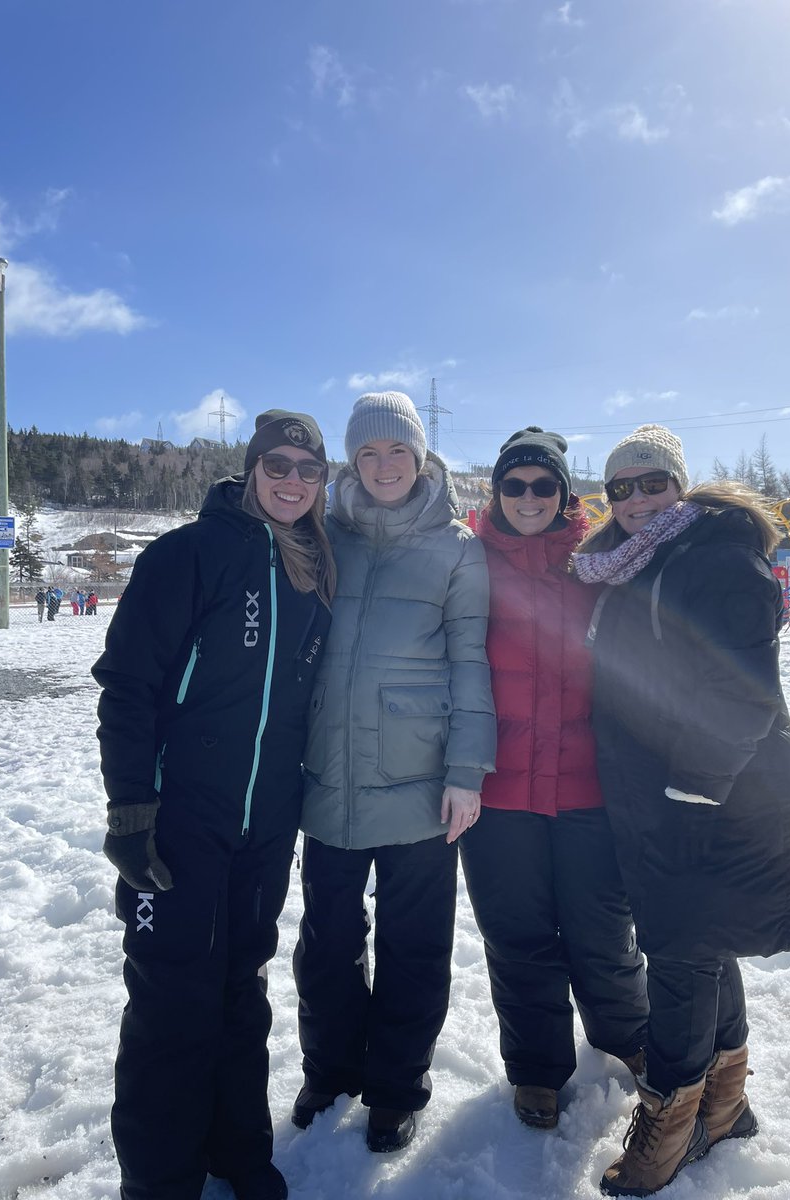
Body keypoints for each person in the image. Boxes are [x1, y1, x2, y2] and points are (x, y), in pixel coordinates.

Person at [572, 425, 790, 1196]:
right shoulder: (639, 562)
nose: (639, 499)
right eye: (622, 489)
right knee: (705, 946)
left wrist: (689, 791)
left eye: (654, 484)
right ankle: (726, 1106)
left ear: (681, 486)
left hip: (707, 798)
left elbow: (737, 692)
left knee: (680, 956)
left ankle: (669, 1126)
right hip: (667, 796)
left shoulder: (714, 556)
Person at [92, 410, 335, 1200]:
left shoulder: (314, 570)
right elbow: (127, 686)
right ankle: (160, 1180)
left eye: (309, 468)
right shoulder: (187, 554)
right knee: (172, 1000)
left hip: (265, 826)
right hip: (179, 822)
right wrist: (131, 810)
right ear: (251, 466)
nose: (293, 479)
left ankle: (237, 1152)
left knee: (241, 986)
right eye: (279, 463)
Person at [292, 391, 496, 1153]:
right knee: (327, 940)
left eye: (397, 451)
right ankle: (330, 1068)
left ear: (420, 458)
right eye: (368, 453)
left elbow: (472, 665)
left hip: (420, 781)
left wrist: (468, 769)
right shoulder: (322, 537)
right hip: (331, 775)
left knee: (415, 944)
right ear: (352, 460)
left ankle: (397, 1087)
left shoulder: (457, 549)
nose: (383, 467)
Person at [459, 427, 649, 1132]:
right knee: (518, 936)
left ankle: (628, 1036)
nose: (530, 497)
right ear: (497, 493)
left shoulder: (600, 560)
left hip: (588, 789)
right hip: (499, 792)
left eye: (545, 485)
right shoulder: (469, 561)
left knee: (603, 930)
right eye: (515, 485)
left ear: (565, 494)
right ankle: (537, 1068)